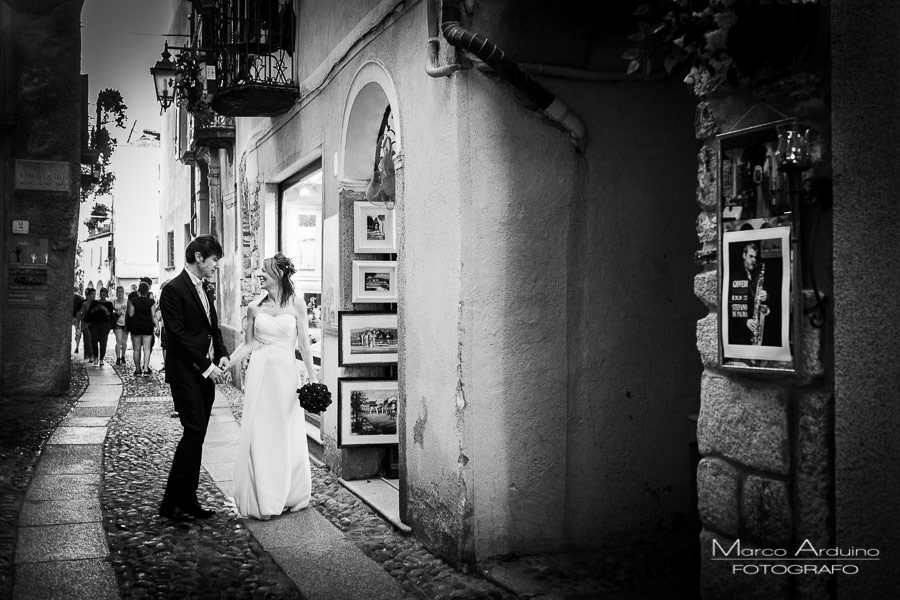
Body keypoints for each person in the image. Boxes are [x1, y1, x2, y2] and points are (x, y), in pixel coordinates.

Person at [227, 252, 318, 520]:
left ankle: (291, 494)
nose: (259, 275)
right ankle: (265, 499)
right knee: (261, 433)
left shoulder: (297, 305)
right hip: (261, 374)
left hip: (287, 377)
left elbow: (303, 346)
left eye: (264, 271)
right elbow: (248, 343)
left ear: (279, 274)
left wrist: (312, 379)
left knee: (285, 432)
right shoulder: (254, 308)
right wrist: (226, 363)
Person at [158, 235, 230, 521]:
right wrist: (206, 366)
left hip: (205, 373)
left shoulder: (205, 288)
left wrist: (222, 354)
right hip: (186, 373)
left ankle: (187, 499)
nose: (216, 266)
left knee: (197, 436)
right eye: (214, 260)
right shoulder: (172, 290)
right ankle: (171, 503)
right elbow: (177, 337)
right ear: (199, 257)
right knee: (193, 431)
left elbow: (213, 326)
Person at [728, 241, 769, 346]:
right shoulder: (736, 276)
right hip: (741, 331)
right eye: (751, 256)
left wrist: (766, 295)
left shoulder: (756, 274)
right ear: (743, 255)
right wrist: (745, 321)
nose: (754, 260)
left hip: (754, 323)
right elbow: (733, 304)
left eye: (755, 257)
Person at [127, 282, 159, 377]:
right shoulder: (151, 302)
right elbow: (153, 316)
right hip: (147, 325)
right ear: (147, 291)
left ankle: (137, 369)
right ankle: (145, 368)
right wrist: (157, 327)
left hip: (136, 325)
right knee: (147, 348)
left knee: (136, 349)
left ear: (138, 291)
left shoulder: (133, 300)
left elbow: (131, 314)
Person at [86, 287, 115, 366]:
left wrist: (104, 309)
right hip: (95, 323)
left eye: (104, 294)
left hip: (105, 324)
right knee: (94, 340)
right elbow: (90, 313)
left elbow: (110, 315)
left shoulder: (109, 304)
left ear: (106, 294)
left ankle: (101, 358)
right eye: (101, 293)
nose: (102, 295)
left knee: (103, 342)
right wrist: (96, 308)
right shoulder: (95, 303)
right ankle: (95, 357)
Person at [77, 288, 96, 362]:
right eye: (92, 294)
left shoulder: (96, 303)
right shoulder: (85, 304)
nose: (93, 295)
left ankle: (91, 354)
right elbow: (80, 314)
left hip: (94, 325)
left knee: (92, 340)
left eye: (94, 294)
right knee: (88, 340)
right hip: (86, 325)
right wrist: (79, 324)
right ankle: (91, 355)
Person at [112, 286, 129, 365]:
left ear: (123, 292)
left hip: (126, 323)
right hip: (117, 323)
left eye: (121, 291)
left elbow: (130, 311)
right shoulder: (113, 302)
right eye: (118, 291)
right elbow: (110, 312)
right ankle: (118, 358)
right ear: (116, 292)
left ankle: (123, 356)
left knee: (124, 342)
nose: (120, 293)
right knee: (118, 340)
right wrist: (115, 313)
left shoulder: (127, 301)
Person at [73, 288, 85, 353]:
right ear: (78, 291)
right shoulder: (81, 298)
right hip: (78, 317)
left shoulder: (70, 297)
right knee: (78, 332)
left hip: (71, 317)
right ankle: (77, 346)